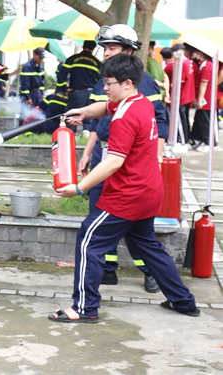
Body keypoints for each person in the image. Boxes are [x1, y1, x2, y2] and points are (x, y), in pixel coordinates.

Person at [49, 53, 199, 323]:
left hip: (127, 196)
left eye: (109, 83)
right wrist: (84, 112)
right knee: (148, 247)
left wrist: (79, 188)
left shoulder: (124, 118)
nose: (105, 89)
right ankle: (183, 301)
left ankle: (84, 308)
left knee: (89, 240)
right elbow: (106, 107)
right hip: (148, 191)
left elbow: (114, 162)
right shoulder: (139, 102)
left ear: (126, 83)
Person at [79, 24, 167, 293]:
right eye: (104, 48)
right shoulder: (104, 81)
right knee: (98, 213)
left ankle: (149, 271)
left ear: (128, 51)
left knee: (133, 225)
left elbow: (159, 123)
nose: (106, 53)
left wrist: (157, 160)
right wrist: (86, 153)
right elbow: (99, 119)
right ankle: (107, 269)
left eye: (112, 48)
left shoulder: (143, 83)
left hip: (127, 162)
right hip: (103, 155)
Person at [56, 40, 101, 114]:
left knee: (71, 119)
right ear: (93, 48)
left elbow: (61, 74)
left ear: (83, 46)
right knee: (89, 120)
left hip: (75, 94)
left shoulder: (72, 59)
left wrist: (64, 88)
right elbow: (101, 80)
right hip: (91, 95)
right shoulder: (97, 63)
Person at [187, 43, 215, 152]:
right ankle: (204, 141)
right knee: (201, 120)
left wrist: (199, 99)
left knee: (205, 121)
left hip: (206, 98)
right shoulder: (205, 64)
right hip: (206, 97)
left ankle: (207, 142)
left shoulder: (206, 66)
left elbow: (204, 83)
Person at [19, 48, 46, 112]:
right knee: (26, 115)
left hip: (38, 94)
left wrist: (42, 94)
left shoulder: (40, 67)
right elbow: (24, 84)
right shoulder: (27, 67)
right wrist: (28, 98)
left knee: (37, 115)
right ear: (34, 55)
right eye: (40, 57)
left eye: (42, 58)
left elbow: (42, 82)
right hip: (29, 94)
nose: (41, 59)